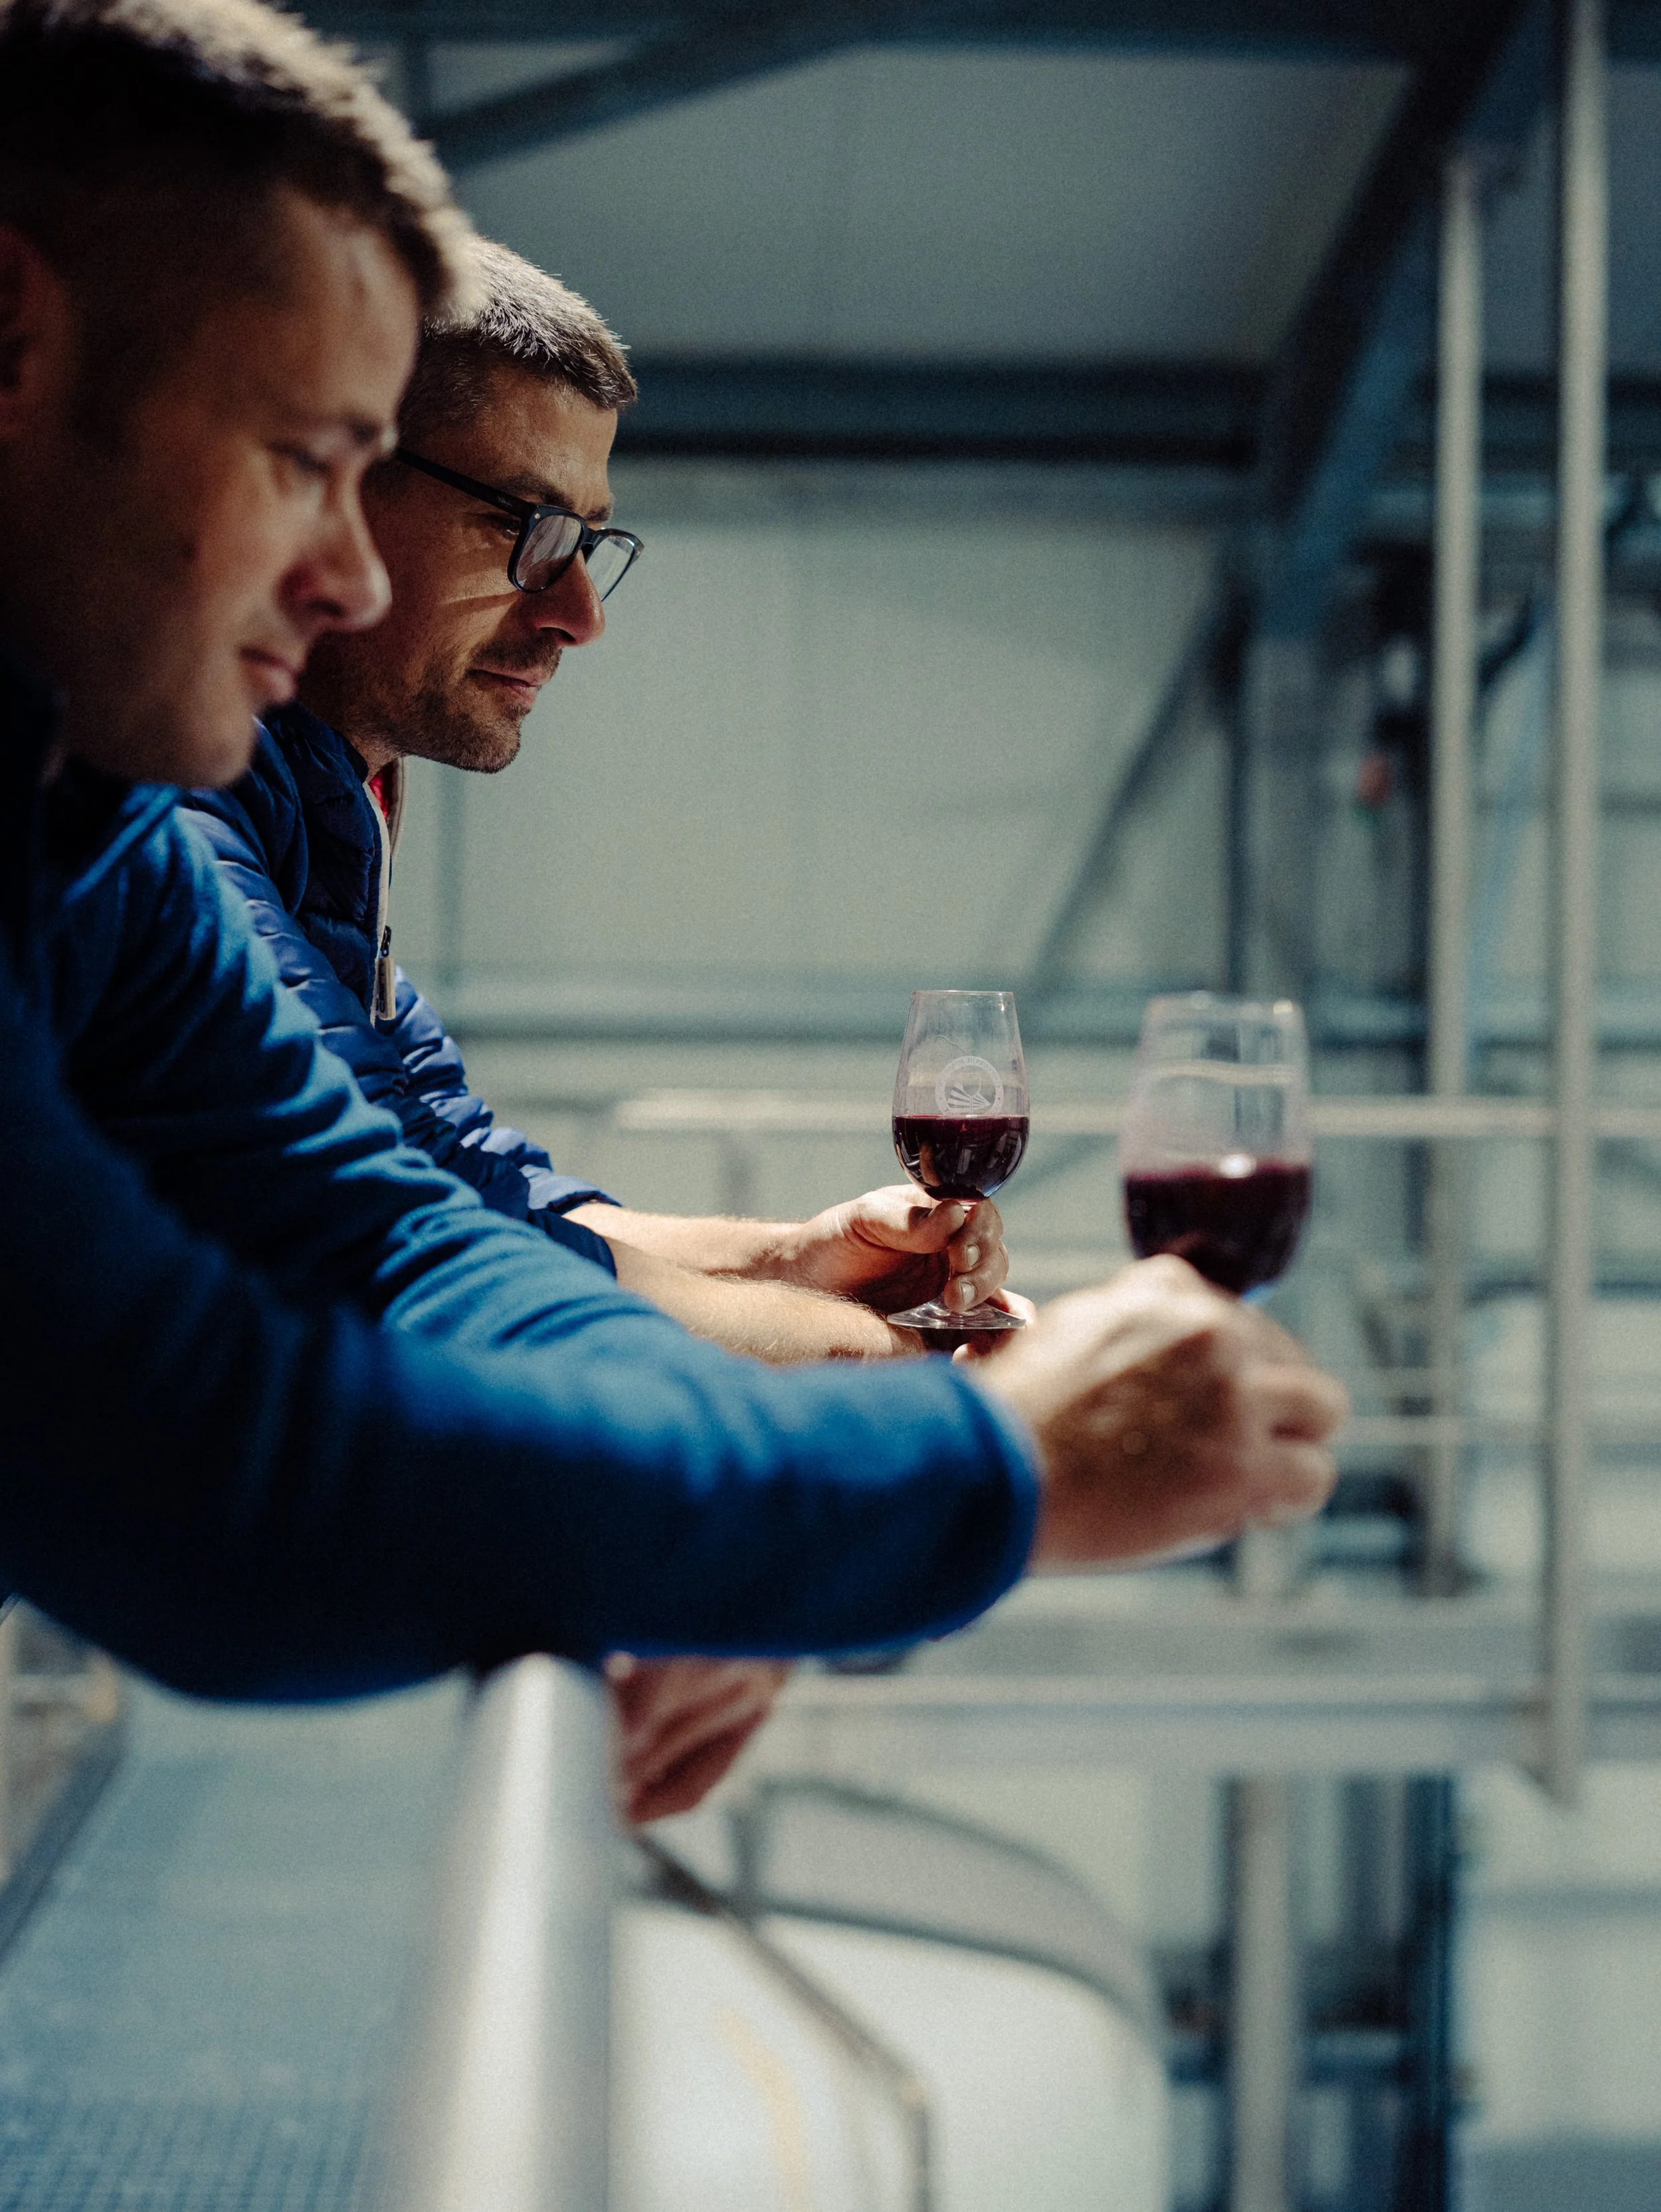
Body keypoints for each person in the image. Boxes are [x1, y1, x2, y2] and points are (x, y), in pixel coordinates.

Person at [0, 0, 1345, 1756]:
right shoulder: (164, 801)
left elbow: (394, 1234)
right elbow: (217, 1479)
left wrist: (772, 1510)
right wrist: (972, 1468)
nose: (337, 578)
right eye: (299, 460)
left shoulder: (93, 810)